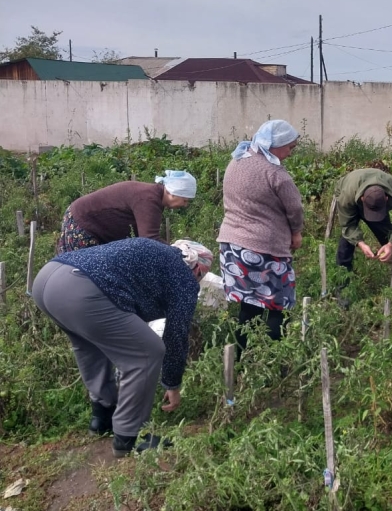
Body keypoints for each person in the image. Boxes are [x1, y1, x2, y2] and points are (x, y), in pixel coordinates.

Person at [31, 238, 212, 457]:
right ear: (197, 268)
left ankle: (102, 417)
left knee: (90, 347)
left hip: (47, 280)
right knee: (147, 353)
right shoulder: (184, 278)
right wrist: (172, 383)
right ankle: (129, 436)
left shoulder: (158, 255)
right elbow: (177, 334)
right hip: (80, 288)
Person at [217, 120, 304, 354]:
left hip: (233, 247)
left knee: (249, 306)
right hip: (265, 249)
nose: (290, 153)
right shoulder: (275, 173)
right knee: (279, 305)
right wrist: (296, 232)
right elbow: (294, 208)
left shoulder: (237, 161)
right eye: (289, 148)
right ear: (275, 145)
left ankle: (239, 361)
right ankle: (273, 360)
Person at [57, 170, 197, 253]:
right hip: (83, 224)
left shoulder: (152, 195)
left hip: (81, 218)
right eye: (185, 200)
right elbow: (149, 240)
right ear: (173, 193)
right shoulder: (149, 199)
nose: (185, 205)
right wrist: (178, 252)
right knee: (83, 274)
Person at [335, 168, 392, 273]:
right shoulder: (347, 195)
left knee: (387, 236)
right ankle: (342, 277)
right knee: (347, 241)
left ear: (386, 198)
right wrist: (360, 243)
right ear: (362, 199)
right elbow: (347, 225)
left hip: (371, 194)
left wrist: (391, 244)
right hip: (350, 191)